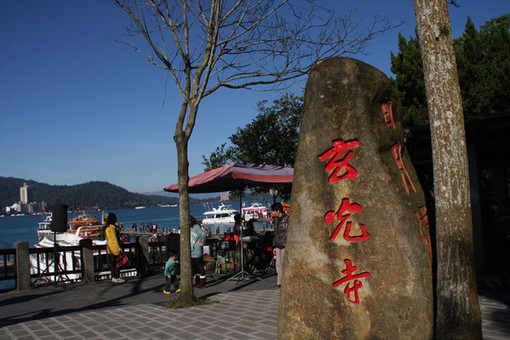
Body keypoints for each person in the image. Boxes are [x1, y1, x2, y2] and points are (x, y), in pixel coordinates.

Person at [105, 213, 125, 284]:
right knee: (117, 263)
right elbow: (114, 239)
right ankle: (117, 277)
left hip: (109, 248)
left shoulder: (107, 227)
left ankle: (113, 277)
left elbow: (108, 239)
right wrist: (118, 247)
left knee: (112, 263)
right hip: (114, 247)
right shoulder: (112, 227)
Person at [271, 203, 288, 288]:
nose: (273, 212)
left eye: (274, 211)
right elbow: (275, 233)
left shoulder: (286, 219)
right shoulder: (276, 220)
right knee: (278, 264)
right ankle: (279, 281)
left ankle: (282, 281)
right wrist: (274, 245)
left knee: (283, 264)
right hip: (278, 244)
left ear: (278, 211)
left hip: (284, 244)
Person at [190, 216, 207, 288]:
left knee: (199, 266)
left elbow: (203, 234)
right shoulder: (192, 228)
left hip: (197, 250)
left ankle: (202, 282)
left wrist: (202, 243)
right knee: (194, 267)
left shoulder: (196, 227)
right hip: (192, 250)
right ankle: (198, 281)